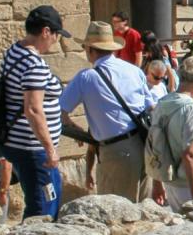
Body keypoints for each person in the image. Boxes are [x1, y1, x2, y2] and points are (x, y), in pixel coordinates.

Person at [60, 21, 156, 202]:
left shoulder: (86, 77)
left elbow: (61, 111)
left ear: (90, 49)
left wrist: (77, 130)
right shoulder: (134, 71)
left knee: (115, 213)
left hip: (115, 151)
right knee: (143, 209)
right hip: (143, 144)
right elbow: (150, 107)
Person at [2, 6, 71, 218]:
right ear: (46, 31)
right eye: (57, 35)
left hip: (18, 142)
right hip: (33, 147)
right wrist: (50, 148)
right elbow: (33, 108)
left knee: (46, 199)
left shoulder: (15, 51)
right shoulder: (34, 64)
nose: (56, 40)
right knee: (44, 206)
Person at [147, 57, 193, 210]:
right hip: (192, 183)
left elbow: (156, 146)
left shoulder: (163, 102)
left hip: (171, 181)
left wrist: (157, 183)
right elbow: (190, 154)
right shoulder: (192, 109)